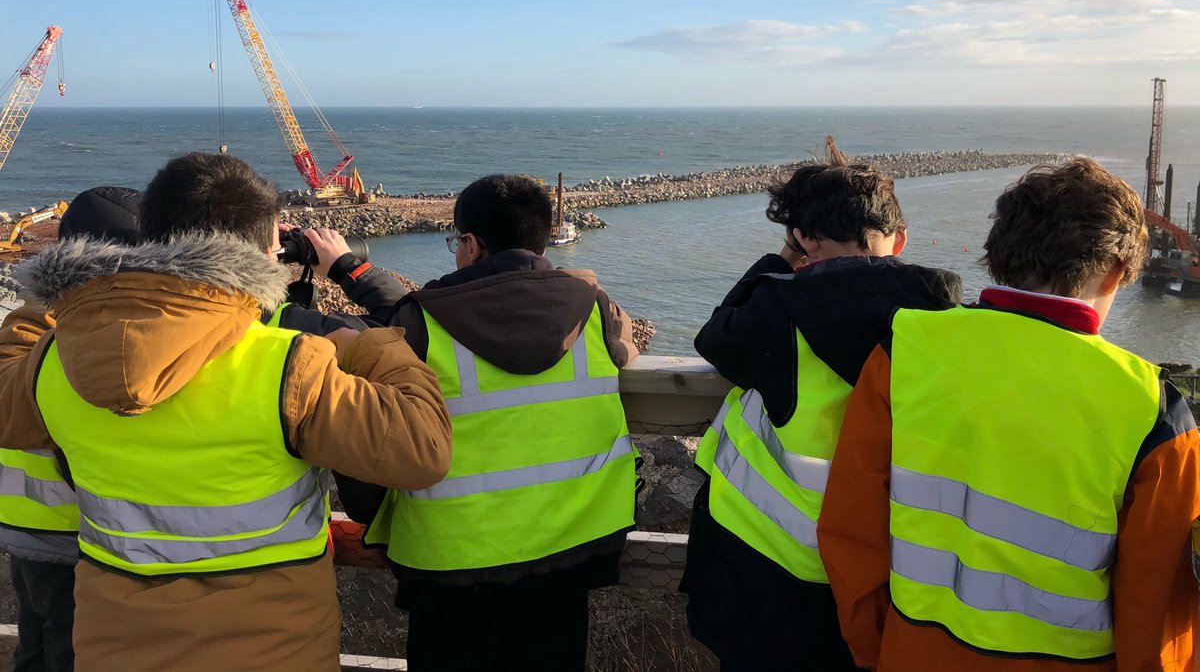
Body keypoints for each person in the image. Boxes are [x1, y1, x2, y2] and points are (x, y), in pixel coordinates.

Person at [0, 152, 453, 671]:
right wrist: (366, 347)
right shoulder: (289, 363)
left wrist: (75, 295)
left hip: (117, 650)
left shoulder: (54, 364)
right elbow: (423, 451)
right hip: (275, 650)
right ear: (264, 252)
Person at [818, 157, 1200, 671]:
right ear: (1113, 274)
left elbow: (851, 532)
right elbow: (1153, 612)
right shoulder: (1154, 411)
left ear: (1001, 255)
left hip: (912, 653)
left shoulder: (906, 347)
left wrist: (877, 650)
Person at [319, 173, 640, 672]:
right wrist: (354, 271)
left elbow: (376, 434)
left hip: (450, 567)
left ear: (470, 243)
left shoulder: (419, 324)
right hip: (571, 552)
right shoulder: (594, 311)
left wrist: (347, 272)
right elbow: (616, 339)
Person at [681, 139, 962, 671]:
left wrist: (781, 259)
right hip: (888, 566)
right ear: (899, 239)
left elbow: (714, 338)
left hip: (770, 572)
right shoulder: (947, 320)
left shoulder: (779, 311)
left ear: (803, 239)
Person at [0, 185, 141, 672]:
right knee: (71, 646)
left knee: (37, 643)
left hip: (29, 531)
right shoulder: (99, 338)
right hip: (86, 534)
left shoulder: (27, 329)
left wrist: (51, 297)